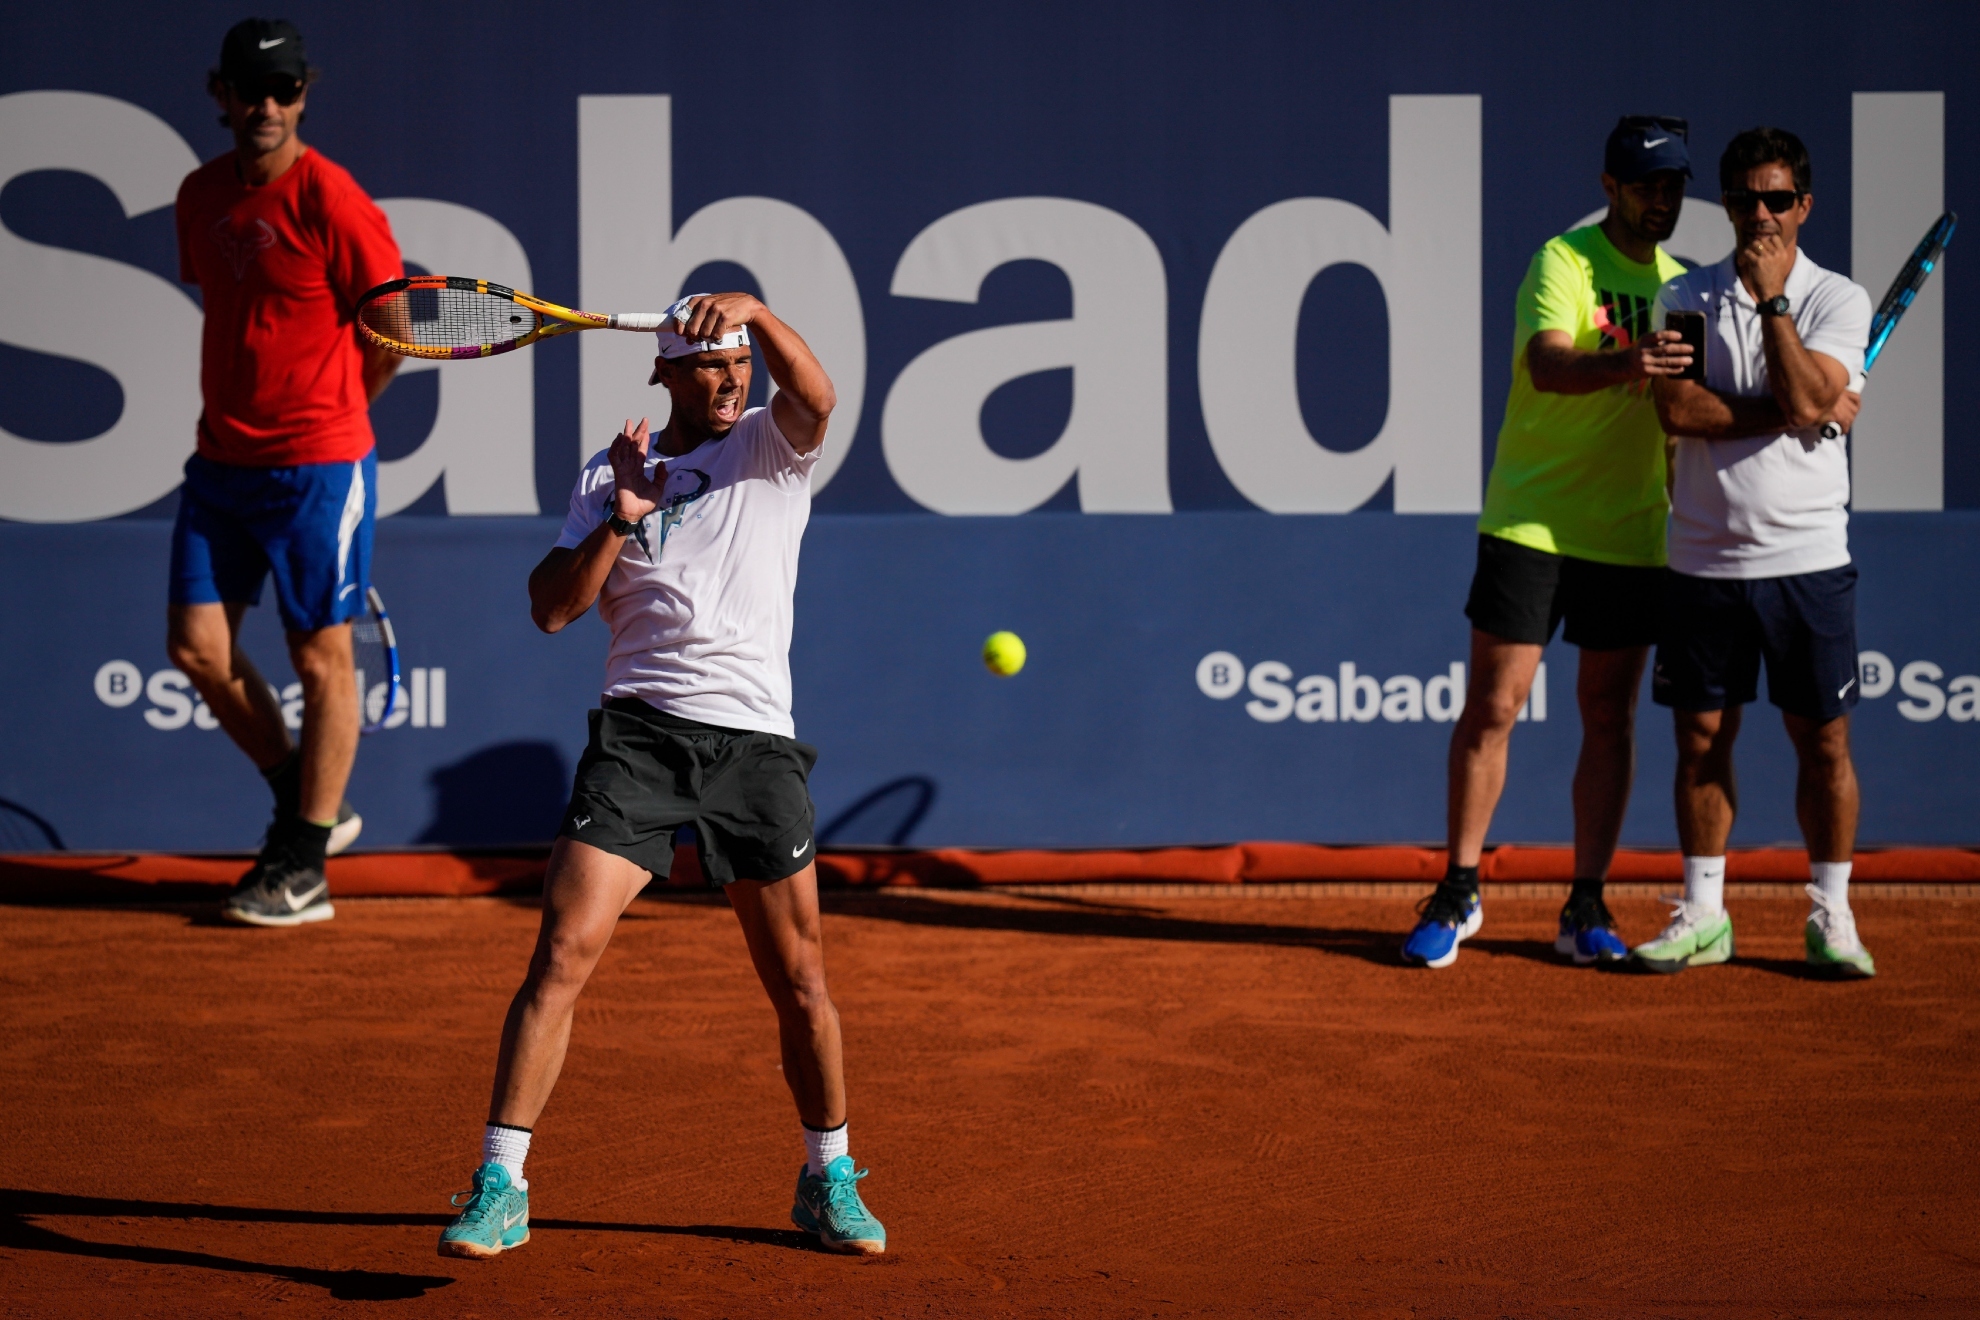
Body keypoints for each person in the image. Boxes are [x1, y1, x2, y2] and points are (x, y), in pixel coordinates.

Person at [436, 292, 886, 1259]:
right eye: (709, 365)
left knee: (801, 981)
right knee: (560, 956)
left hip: (755, 748)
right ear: (664, 373)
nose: (730, 381)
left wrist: (756, 311)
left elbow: (821, 391)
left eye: (739, 364)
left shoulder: (774, 443)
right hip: (638, 740)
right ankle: (499, 1183)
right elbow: (552, 610)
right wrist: (622, 516)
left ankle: (829, 1175)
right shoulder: (610, 471)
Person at [1402, 117, 1697, 969]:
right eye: (1645, 184)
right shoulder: (1563, 262)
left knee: (1609, 716)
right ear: (1610, 188)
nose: (1661, 198)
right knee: (1495, 706)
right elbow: (1550, 365)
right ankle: (1458, 891)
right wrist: (1633, 360)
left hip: (1630, 530)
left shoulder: (1686, 286)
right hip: (1531, 521)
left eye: (1673, 184)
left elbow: (1683, 430)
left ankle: (1586, 905)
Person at [167, 18, 402, 928]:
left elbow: (390, 329)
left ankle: (302, 868)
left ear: (304, 93)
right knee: (196, 649)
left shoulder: (335, 201)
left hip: (317, 464)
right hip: (220, 461)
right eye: (250, 89)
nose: (267, 106)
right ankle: (310, 808)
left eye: (285, 89)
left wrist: (337, 408)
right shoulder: (197, 197)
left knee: (321, 655)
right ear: (218, 93)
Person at [1640, 127, 1874, 977]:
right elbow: (1680, 415)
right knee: (1701, 741)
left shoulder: (1838, 301)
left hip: (1808, 558)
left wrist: (1775, 304)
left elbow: (1814, 390)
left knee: (1825, 746)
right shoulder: (1684, 299)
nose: (1761, 215)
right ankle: (1704, 914)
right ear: (1728, 205)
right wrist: (1800, 409)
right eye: (1744, 199)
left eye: (1778, 199)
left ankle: (1832, 915)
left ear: (1803, 206)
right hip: (1703, 560)